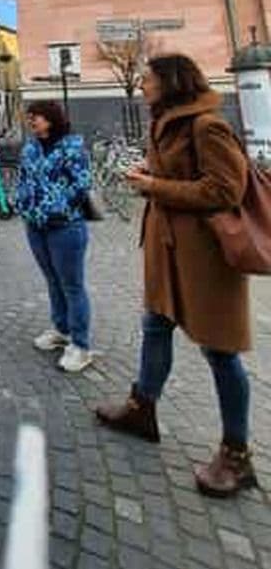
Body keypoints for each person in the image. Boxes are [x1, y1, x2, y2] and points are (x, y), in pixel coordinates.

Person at [96, 54, 256, 497]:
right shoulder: (163, 119)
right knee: (155, 326)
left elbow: (227, 188)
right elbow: (180, 174)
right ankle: (142, 408)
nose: (142, 85)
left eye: (147, 78)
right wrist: (152, 174)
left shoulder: (206, 125)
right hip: (167, 251)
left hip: (205, 257)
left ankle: (237, 455)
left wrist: (154, 187)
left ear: (170, 82)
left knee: (220, 351)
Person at [15, 101, 94, 373]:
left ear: (51, 119)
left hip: (65, 227)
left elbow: (82, 184)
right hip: (35, 225)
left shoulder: (72, 148)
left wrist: (58, 208)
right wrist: (22, 205)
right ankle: (61, 329)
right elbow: (24, 179)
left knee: (72, 285)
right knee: (52, 279)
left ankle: (81, 346)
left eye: (35, 117)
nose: (31, 121)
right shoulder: (30, 147)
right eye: (29, 117)